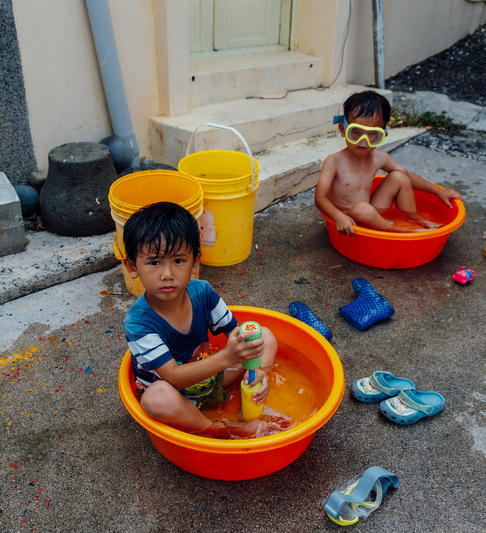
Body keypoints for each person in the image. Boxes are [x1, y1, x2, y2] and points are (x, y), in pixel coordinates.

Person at [122, 202, 286, 438]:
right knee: (156, 398)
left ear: (195, 262)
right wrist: (228, 357)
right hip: (175, 397)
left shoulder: (203, 293)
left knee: (265, 337)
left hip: (211, 379)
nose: (167, 274)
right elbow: (173, 377)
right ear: (132, 266)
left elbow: (235, 334)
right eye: (154, 262)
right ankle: (219, 429)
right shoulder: (139, 322)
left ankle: (251, 396)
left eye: (178, 260)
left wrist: (257, 369)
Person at [315, 91, 463, 235]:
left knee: (399, 176)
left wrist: (439, 191)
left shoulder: (380, 158)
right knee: (362, 209)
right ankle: (396, 230)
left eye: (372, 134)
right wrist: (338, 216)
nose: (363, 141)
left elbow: (407, 177)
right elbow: (320, 197)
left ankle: (415, 218)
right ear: (343, 129)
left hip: (371, 211)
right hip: (349, 219)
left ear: (383, 135)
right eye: (356, 132)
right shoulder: (334, 161)